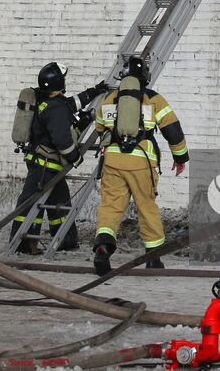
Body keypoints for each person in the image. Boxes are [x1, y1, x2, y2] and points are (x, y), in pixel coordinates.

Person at [91, 57, 189, 275]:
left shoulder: (108, 99)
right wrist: (180, 158)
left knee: (110, 206)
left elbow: (101, 130)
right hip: (141, 162)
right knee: (146, 206)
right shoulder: (153, 99)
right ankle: (153, 259)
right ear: (144, 75)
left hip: (113, 161)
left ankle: (102, 248)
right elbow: (173, 130)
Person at [10, 62, 108, 253]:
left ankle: (66, 241)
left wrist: (93, 91)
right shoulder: (56, 108)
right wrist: (75, 158)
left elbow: (71, 104)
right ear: (58, 83)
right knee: (30, 204)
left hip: (42, 163)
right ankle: (23, 244)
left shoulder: (48, 101)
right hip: (46, 167)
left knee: (60, 203)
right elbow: (62, 141)